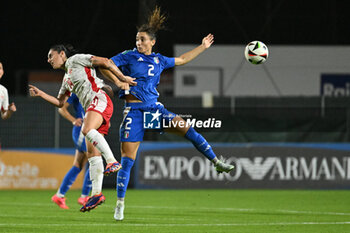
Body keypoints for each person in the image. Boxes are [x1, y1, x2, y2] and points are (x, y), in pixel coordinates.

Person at [110, 7, 235, 221]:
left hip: (154, 110)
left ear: (152, 42)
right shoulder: (128, 56)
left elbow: (183, 59)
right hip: (134, 112)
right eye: (137, 39)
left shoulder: (159, 60)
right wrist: (119, 80)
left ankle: (217, 162)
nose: (138, 43)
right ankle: (120, 205)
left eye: (142, 40)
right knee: (128, 160)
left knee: (188, 129)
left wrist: (203, 47)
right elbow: (106, 63)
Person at [29, 44, 136, 212]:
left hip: (99, 99)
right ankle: (96, 194)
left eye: (51, 56)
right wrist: (41, 94)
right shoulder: (66, 79)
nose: (48, 59)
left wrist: (121, 79)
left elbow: (106, 62)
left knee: (86, 130)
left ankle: (112, 161)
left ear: (62, 54)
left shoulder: (76, 60)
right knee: (92, 153)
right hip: (92, 108)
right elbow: (60, 103)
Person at [51, 93, 92, 209]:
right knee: (95, 161)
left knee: (79, 165)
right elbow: (61, 108)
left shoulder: (93, 86)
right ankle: (84, 197)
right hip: (82, 132)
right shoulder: (78, 91)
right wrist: (73, 120)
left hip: (87, 131)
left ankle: (59, 195)